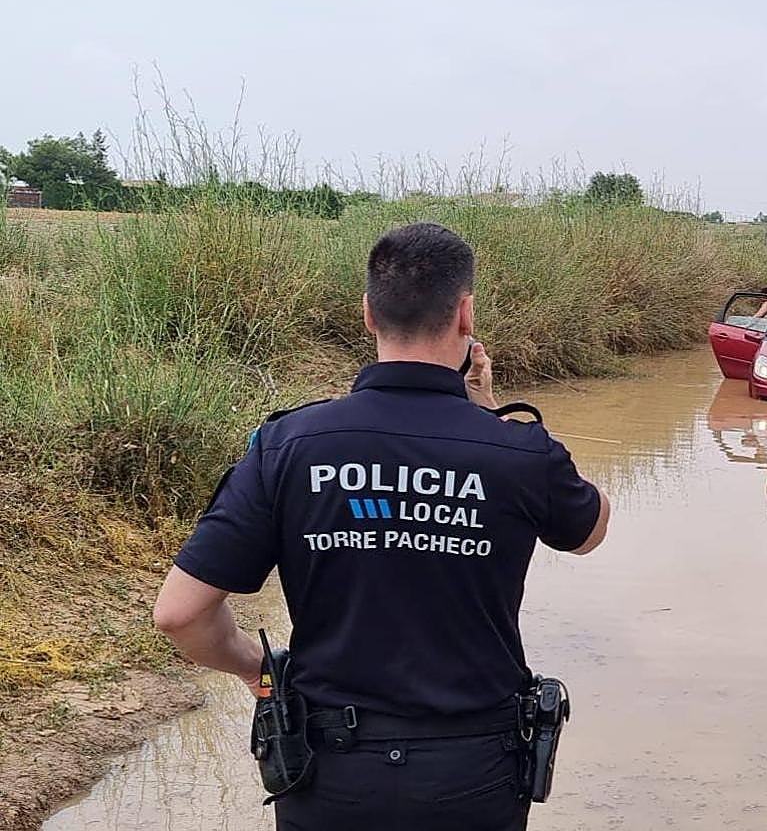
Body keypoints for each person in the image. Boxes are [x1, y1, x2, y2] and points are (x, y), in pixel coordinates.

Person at [153, 222, 611, 831]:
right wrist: (483, 416)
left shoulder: (288, 445)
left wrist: (256, 672)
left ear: (368, 313)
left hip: (327, 774)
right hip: (473, 775)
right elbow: (591, 528)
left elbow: (180, 614)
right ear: (466, 314)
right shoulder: (518, 451)